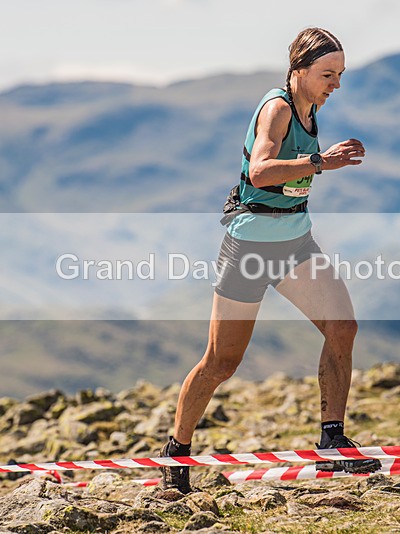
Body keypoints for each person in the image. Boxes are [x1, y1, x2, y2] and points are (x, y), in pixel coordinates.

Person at [158, 27, 381, 493]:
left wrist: (318, 162)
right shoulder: (278, 108)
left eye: (340, 75)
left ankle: (332, 445)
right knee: (221, 362)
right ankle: (176, 452)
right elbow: (259, 172)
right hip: (251, 248)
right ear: (298, 69)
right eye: (327, 74)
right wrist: (320, 162)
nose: (335, 84)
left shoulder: (311, 107)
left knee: (343, 327)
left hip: (296, 241)